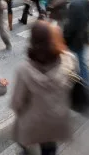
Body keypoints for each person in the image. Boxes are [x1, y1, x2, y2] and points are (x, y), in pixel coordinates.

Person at [12, 21, 77, 155]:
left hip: (34, 122)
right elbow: (71, 84)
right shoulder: (69, 61)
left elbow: (16, 103)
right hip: (56, 119)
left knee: (24, 139)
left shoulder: (24, 71)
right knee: (49, 147)